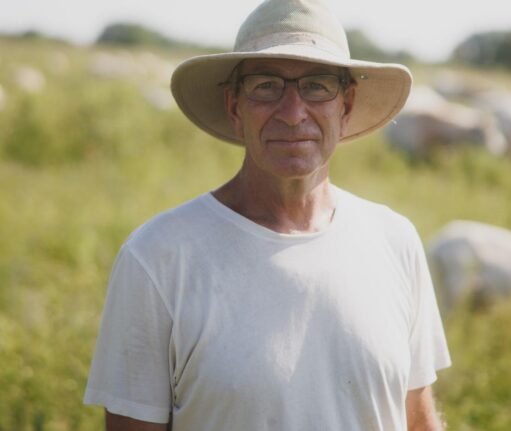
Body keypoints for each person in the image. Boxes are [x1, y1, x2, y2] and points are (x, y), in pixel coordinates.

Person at [84, 0, 451, 430]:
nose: (293, 113)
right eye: (266, 86)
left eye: (317, 86)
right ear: (234, 105)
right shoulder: (158, 258)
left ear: (346, 105)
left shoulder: (394, 241)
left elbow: (417, 419)